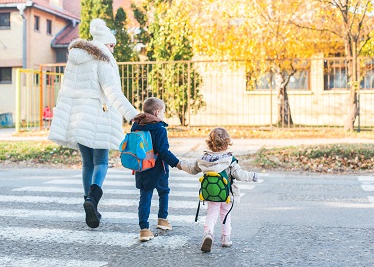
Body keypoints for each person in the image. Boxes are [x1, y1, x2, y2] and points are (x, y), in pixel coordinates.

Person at [48, 18, 138, 229]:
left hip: (77, 117)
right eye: (112, 45)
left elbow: (65, 90)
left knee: (87, 163)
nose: (112, 49)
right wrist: (132, 114)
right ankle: (92, 200)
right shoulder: (103, 59)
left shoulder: (75, 58)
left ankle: (90, 203)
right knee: (101, 162)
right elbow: (112, 91)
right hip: (98, 116)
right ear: (105, 44)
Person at [178, 127, 259, 252]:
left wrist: (180, 164)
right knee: (225, 214)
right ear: (227, 144)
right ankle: (226, 238)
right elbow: (240, 174)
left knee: (211, 215)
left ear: (210, 143)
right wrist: (253, 176)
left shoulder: (203, 159)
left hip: (211, 194)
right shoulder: (229, 160)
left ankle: (208, 234)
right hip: (227, 194)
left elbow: (191, 168)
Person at [131, 97, 182, 242]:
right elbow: (163, 151)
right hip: (158, 169)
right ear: (157, 112)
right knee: (163, 192)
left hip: (142, 167)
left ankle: (144, 229)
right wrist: (177, 163)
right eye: (164, 112)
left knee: (145, 197)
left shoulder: (136, 125)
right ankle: (162, 220)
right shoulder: (159, 128)